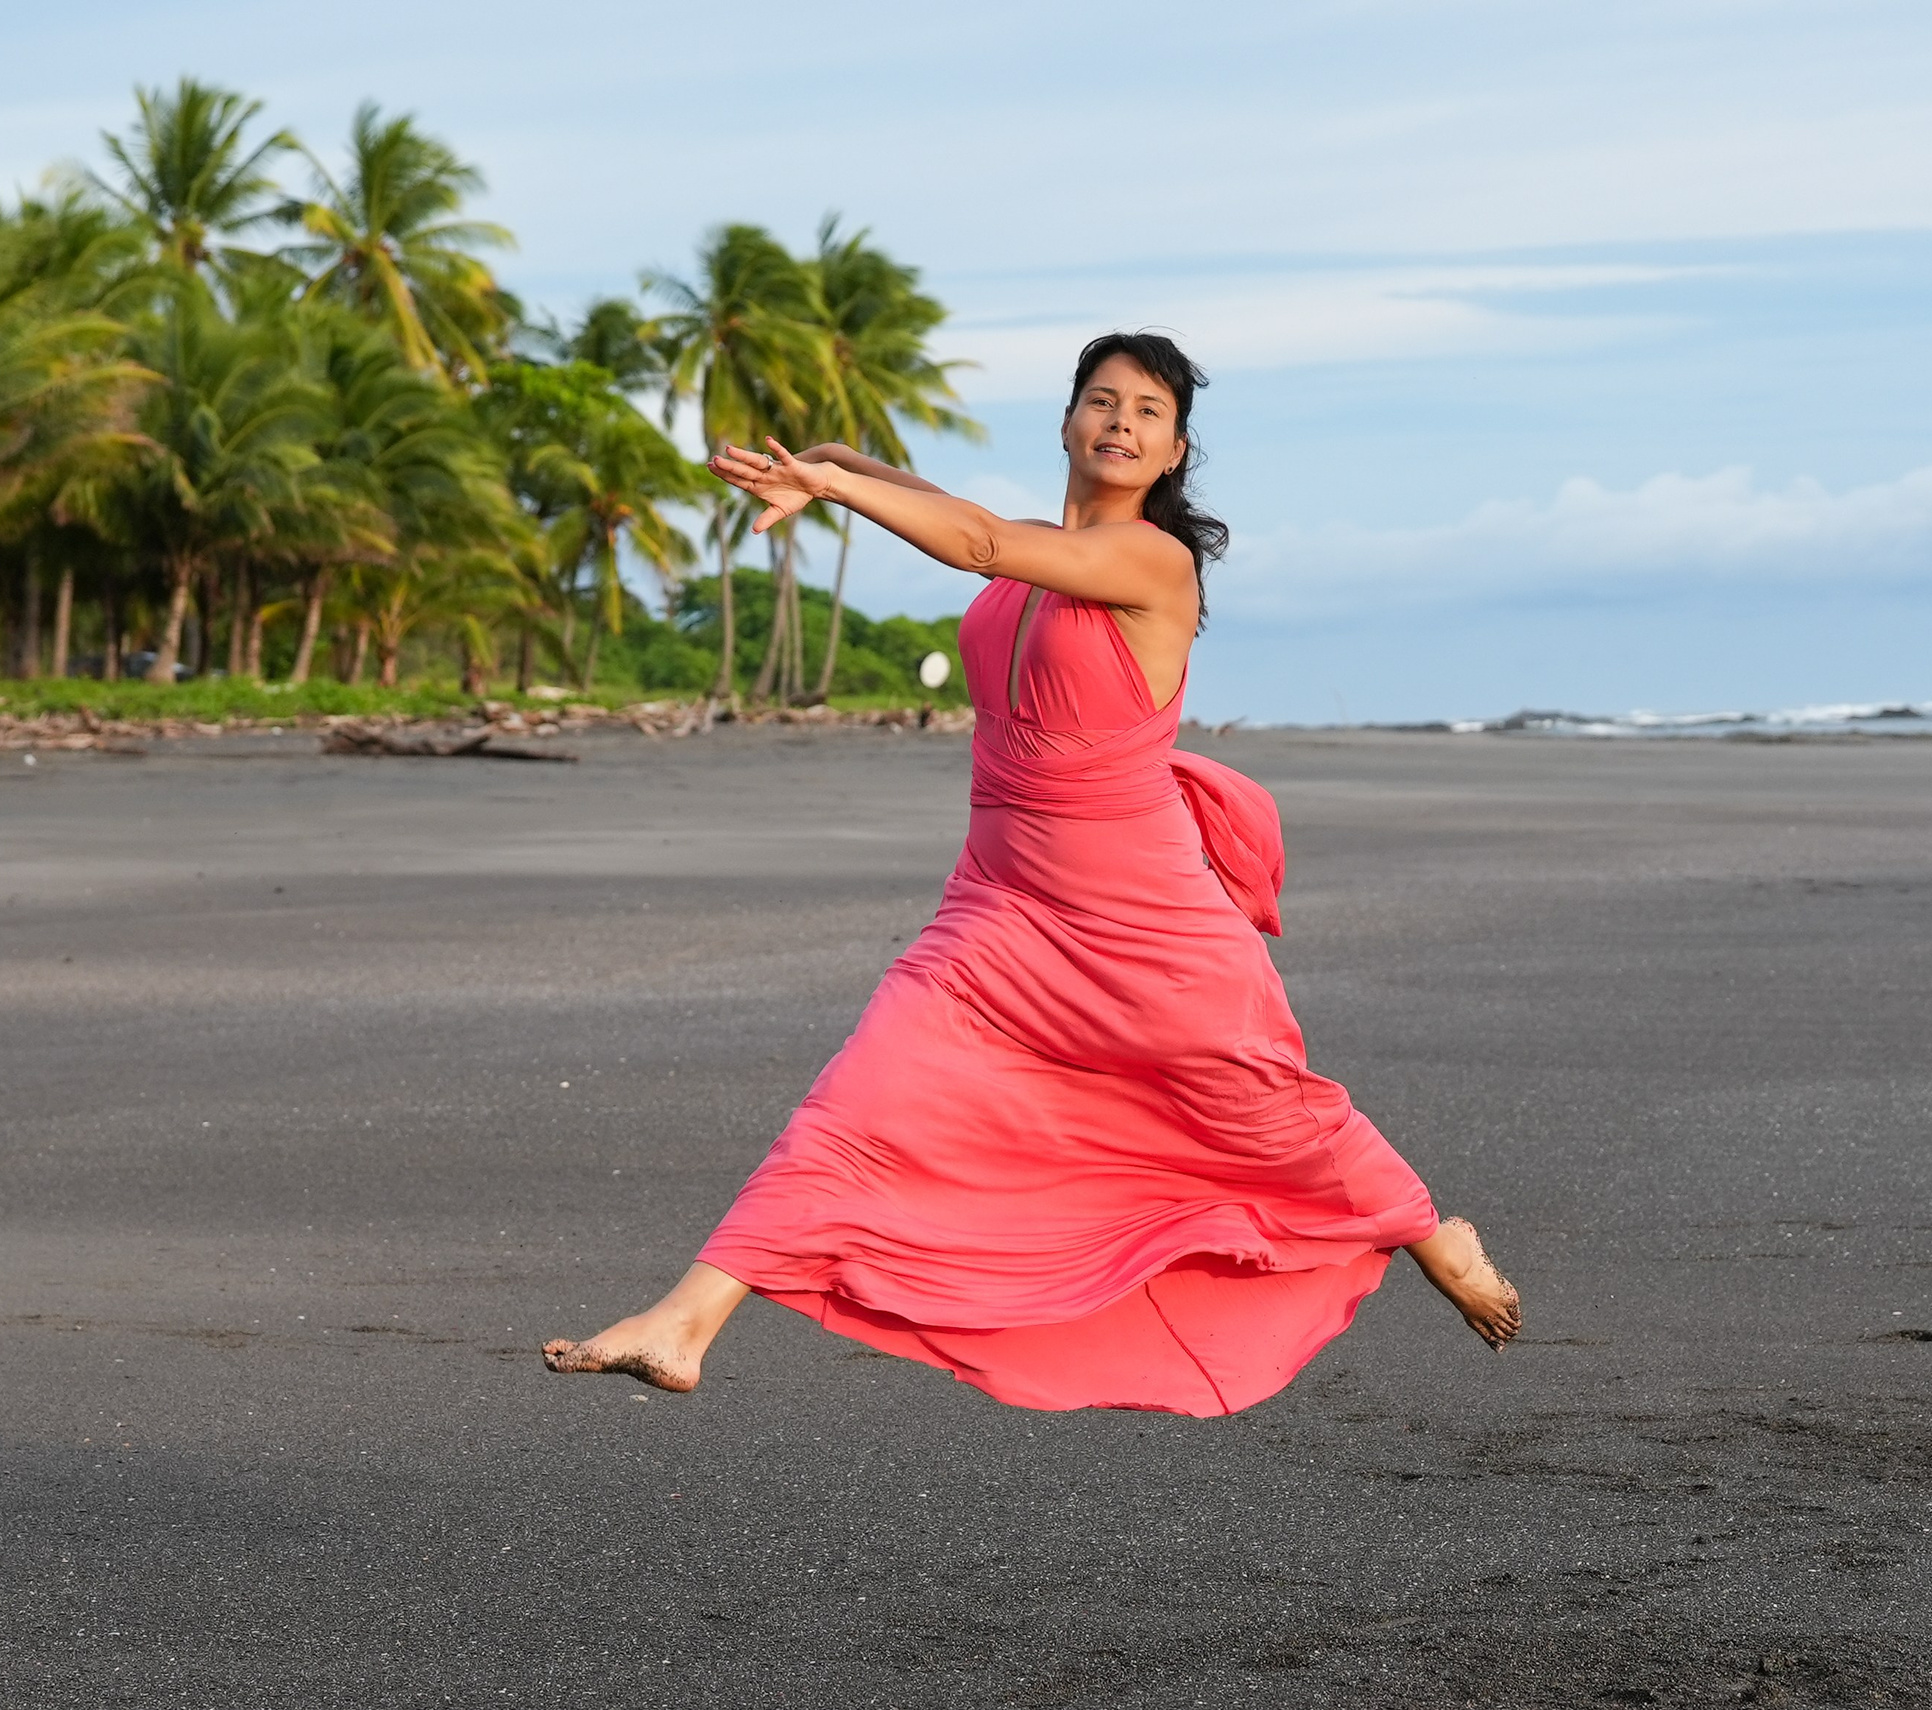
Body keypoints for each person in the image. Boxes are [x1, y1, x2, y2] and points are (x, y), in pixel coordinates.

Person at [543, 332, 1519, 1416]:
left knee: (1262, 1111)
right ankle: (685, 1323)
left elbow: (974, 541)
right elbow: (963, 518)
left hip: (1141, 919)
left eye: (1146, 413)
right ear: (1065, 424)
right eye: (1099, 401)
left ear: (1173, 451)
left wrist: (828, 482)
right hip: (998, 904)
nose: (1118, 423)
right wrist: (835, 463)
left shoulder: (1151, 561)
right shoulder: (1045, 549)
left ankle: (1431, 1231)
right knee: (864, 1096)